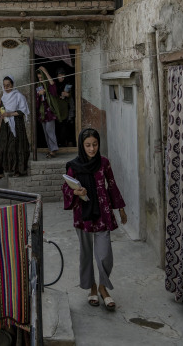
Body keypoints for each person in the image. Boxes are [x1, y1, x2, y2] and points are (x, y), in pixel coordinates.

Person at [62, 128, 127, 311]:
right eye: (88, 145)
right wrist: (75, 191)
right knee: (86, 253)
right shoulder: (73, 166)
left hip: (103, 212)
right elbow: (65, 188)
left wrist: (120, 208)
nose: (92, 149)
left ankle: (103, 287)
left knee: (105, 254)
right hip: (83, 213)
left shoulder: (104, 163)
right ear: (82, 146)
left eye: (95, 145)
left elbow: (112, 185)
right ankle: (91, 287)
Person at [0, 76, 30, 183]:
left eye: (8, 85)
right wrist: (3, 114)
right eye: (4, 85)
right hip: (6, 125)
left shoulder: (18, 96)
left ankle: (17, 170)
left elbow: (23, 111)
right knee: (0, 146)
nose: (6, 87)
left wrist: (10, 113)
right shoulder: (4, 97)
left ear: (13, 85)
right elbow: (1, 111)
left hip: (17, 125)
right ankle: (0, 172)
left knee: (16, 147)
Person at [35, 66, 66, 158]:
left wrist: (45, 71)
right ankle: (51, 149)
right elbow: (37, 102)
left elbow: (53, 88)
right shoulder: (38, 86)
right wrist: (39, 94)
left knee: (50, 130)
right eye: (39, 78)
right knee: (45, 131)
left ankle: (54, 149)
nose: (40, 79)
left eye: (41, 77)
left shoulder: (49, 85)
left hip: (50, 112)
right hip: (42, 112)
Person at [55, 68, 76, 147]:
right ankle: (61, 144)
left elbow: (72, 98)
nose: (61, 78)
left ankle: (69, 144)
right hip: (58, 110)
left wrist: (68, 95)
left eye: (62, 76)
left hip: (68, 109)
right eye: (59, 76)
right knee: (59, 127)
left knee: (69, 126)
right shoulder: (55, 85)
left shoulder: (68, 84)